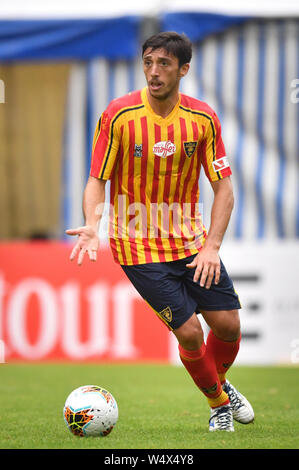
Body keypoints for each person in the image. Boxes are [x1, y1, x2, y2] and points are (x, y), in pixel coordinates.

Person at [66, 31, 254, 432]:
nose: (154, 72)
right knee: (189, 331)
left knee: (229, 326)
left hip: (191, 241)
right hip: (137, 244)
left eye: (164, 64)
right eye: (148, 62)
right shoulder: (118, 115)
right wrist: (92, 225)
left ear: (184, 69)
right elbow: (97, 178)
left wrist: (212, 247)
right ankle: (219, 404)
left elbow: (225, 188)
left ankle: (218, 385)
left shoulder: (202, 118)